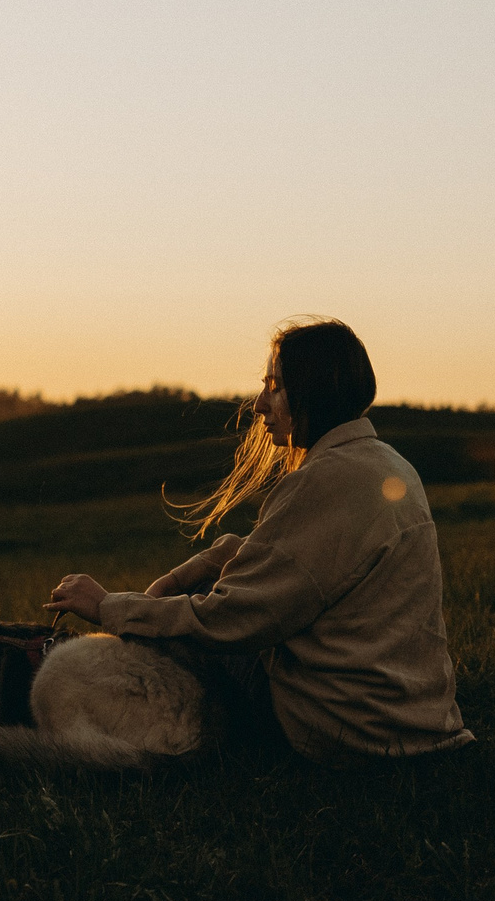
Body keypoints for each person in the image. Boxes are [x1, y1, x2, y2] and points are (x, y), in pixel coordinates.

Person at [44, 318, 472, 763]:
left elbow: (229, 620)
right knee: (192, 604)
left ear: (313, 392)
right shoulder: (388, 465)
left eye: (275, 385)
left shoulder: (322, 481)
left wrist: (107, 606)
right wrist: (216, 558)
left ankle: (103, 720)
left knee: (183, 644)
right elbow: (308, 564)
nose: (259, 404)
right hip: (410, 717)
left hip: (347, 726)